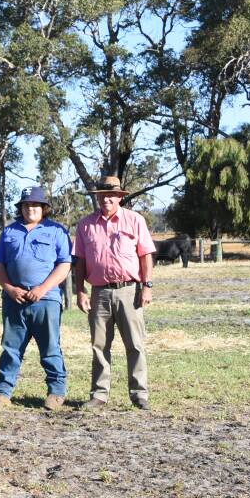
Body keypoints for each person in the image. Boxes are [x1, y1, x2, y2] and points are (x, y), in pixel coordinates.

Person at [72, 175, 157, 410]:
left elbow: (145, 255)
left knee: (135, 344)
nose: (106, 199)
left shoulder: (134, 220)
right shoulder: (85, 225)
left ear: (120, 197)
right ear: (97, 198)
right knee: (99, 345)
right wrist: (80, 291)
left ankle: (139, 393)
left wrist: (147, 286)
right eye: (102, 195)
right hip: (99, 293)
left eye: (111, 195)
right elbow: (79, 261)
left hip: (129, 291)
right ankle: (99, 394)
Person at [0, 186, 72, 411]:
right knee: (11, 348)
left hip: (47, 300)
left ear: (44, 208)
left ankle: (56, 392)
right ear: (21, 208)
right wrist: (9, 289)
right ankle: (3, 393)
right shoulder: (9, 232)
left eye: (35, 205)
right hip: (15, 300)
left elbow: (64, 265)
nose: (30, 208)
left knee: (50, 347)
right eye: (26, 205)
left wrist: (43, 288)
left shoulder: (56, 231)